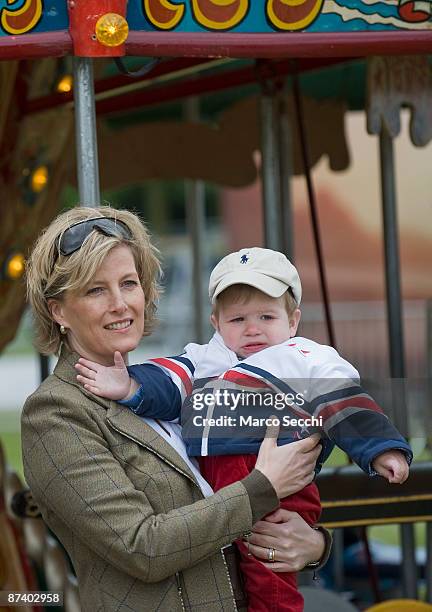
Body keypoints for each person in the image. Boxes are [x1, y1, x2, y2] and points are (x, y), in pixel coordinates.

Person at [22, 209, 330, 612]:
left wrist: (313, 544)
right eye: (96, 290)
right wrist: (262, 488)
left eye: (129, 283)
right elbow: (143, 547)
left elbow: (239, 490)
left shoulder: (168, 384)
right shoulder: (54, 413)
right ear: (58, 311)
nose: (120, 303)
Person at [75, 246, 412, 612]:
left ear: (293, 320)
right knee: (222, 564)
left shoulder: (306, 359)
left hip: (279, 485)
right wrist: (129, 386)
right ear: (216, 323)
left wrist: (381, 448)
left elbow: (347, 403)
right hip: (220, 485)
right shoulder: (206, 360)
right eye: (237, 320)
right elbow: (168, 380)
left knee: (268, 571)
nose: (252, 329)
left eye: (266, 316)